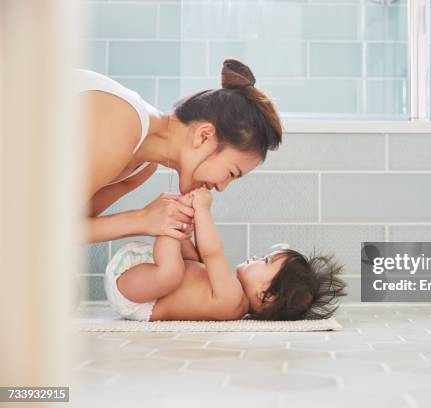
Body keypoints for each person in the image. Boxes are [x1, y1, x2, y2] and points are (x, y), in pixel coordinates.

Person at [78, 58, 282, 243]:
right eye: (231, 173)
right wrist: (141, 219)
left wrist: (147, 221)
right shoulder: (121, 126)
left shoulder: (144, 168)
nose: (221, 187)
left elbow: (70, 228)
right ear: (204, 136)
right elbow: (49, 225)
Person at [104, 188, 347, 321]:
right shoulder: (232, 296)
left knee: (174, 272)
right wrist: (188, 234)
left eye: (265, 261)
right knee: (191, 262)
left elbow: (212, 253)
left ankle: (170, 225)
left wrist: (203, 210)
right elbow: (202, 258)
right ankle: (175, 227)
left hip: (134, 293)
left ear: (266, 296)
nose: (255, 257)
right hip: (146, 276)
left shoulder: (232, 301)